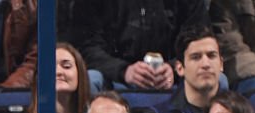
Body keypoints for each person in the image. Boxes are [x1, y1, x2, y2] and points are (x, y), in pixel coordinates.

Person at [75, 0, 208, 91]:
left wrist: (173, 68)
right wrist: (124, 71)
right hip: (114, 79)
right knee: (91, 79)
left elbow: (198, 40)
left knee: (218, 80)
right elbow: (87, 47)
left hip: (175, 78)